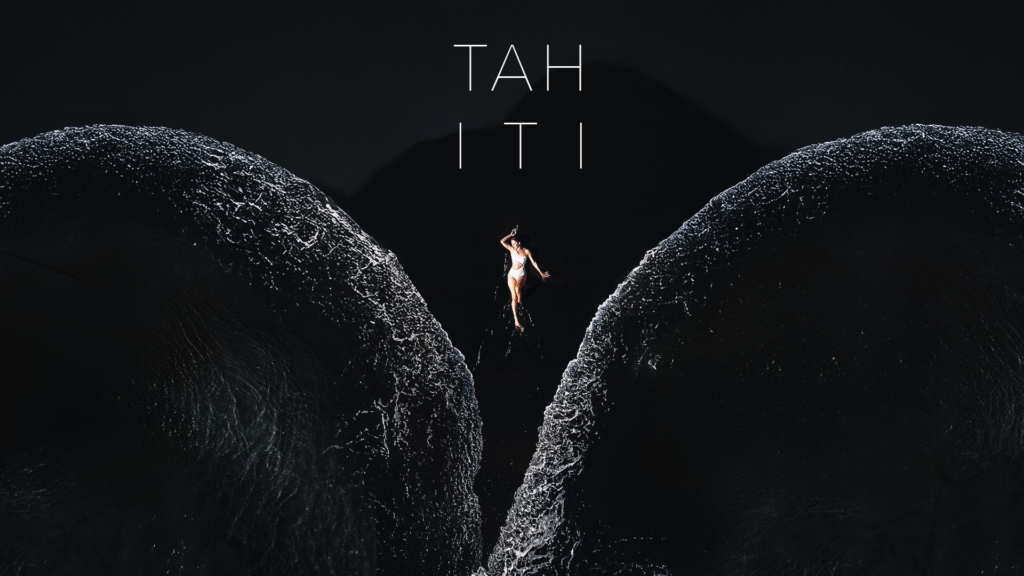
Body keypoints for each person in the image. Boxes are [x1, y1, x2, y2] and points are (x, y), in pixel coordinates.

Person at [500, 226, 551, 330]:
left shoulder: (526, 251)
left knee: (518, 290)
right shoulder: (512, 249)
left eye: (515, 244)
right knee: (513, 297)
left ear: (519, 243)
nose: (513, 246)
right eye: (512, 244)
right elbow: (502, 241)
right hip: (512, 274)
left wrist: (541, 272)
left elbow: (534, 262)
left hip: (521, 274)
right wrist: (511, 235)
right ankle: (516, 320)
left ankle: (520, 298)